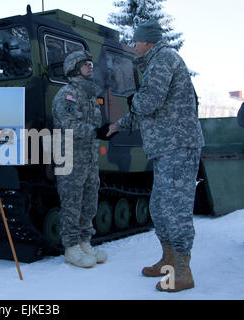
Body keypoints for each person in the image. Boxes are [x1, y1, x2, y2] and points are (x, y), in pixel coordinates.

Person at [107, 20, 204, 292]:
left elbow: (147, 103)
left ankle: (183, 272)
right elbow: (148, 110)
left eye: (136, 41)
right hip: (165, 148)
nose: (133, 45)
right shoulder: (156, 61)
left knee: (175, 210)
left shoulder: (164, 59)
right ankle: (169, 260)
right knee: (159, 208)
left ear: (147, 41)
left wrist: (131, 100)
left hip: (178, 146)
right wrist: (117, 126)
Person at [52, 50, 112, 268]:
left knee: (89, 201)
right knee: (72, 201)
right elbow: (68, 124)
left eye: (90, 63)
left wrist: (104, 131)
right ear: (74, 67)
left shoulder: (89, 95)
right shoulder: (67, 94)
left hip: (88, 157)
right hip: (70, 156)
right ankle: (71, 247)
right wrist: (96, 131)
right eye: (85, 64)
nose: (90, 67)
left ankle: (85, 242)